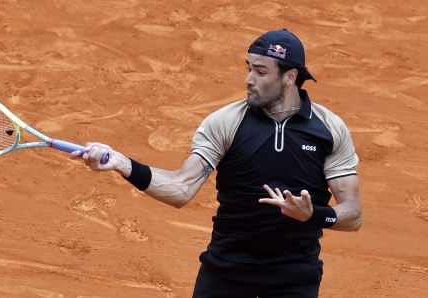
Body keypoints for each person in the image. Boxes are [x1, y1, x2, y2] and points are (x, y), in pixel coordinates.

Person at [70, 28, 362, 298]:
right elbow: (180, 188)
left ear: (289, 77)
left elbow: (353, 214)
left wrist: (314, 215)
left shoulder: (329, 129)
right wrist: (123, 164)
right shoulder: (225, 122)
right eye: (249, 69)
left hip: (295, 276)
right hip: (226, 270)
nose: (248, 80)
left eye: (260, 72)